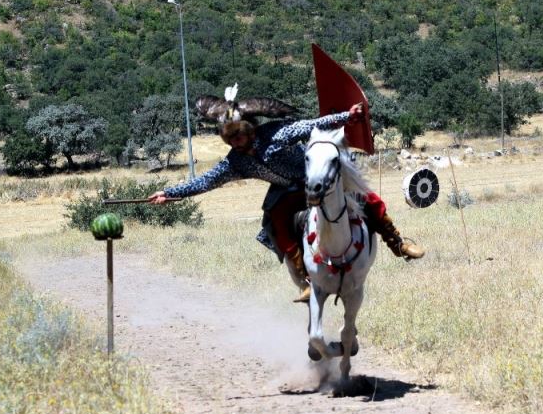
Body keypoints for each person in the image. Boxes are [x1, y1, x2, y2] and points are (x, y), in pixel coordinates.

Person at [148, 86, 424, 302]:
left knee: (367, 198)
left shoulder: (277, 134)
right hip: (287, 192)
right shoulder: (235, 162)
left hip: (316, 177)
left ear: (248, 129)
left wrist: (346, 116)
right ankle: (306, 281)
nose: (235, 142)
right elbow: (205, 181)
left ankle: (397, 243)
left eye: (238, 136)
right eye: (229, 139)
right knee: (276, 220)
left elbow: (312, 125)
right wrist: (169, 193)